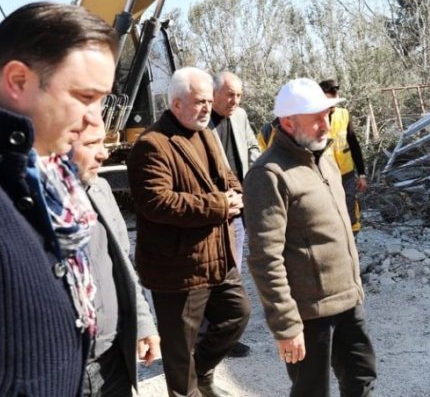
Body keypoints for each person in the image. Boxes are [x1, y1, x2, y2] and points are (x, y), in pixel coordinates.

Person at [0, 2, 117, 396]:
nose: (96, 119)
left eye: (102, 100)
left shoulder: (49, 173)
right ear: (18, 81)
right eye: (85, 96)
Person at [245, 77, 377, 397]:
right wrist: (286, 325)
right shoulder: (269, 174)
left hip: (347, 301)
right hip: (308, 313)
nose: (326, 126)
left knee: (362, 376)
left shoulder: (324, 158)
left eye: (327, 116)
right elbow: (265, 258)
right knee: (312, 391)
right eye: (317, 118)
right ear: (288, 122)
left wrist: (355, 288)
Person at [127, 67, 251, 397]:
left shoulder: (206, 135)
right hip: (178, 269)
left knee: (238, 314)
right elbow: (158, 202)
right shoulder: (151, 145)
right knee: (180, 358)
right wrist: (219, 206)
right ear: (177, 103)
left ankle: (203, 371)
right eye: (199, 101)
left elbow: (228, 178)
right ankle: (190, 383)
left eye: (209, 101)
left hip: (218, 258)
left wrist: (235, 195)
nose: (207, 108)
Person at [71, 120, 160, 396]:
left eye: (102, 143)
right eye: (90, 144)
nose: (104, 153)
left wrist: (144, 324)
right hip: (66, 367)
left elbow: (123, 262)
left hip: (111, 360)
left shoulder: (100, 189)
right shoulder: (29, 201)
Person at [209, 70, 260, 358]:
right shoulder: (200, 123)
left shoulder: (239, 116)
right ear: (214, 93)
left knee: (233, 273)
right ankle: (212, 335)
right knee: (215, 275)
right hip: (213, 208)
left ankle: (225, 334)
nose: (235, 100)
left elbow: (252, 145)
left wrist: (253, 176)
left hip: (241, 207)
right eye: (230, 94)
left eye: (239, 95)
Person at [318, 78, 368, 233]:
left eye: (334, 93)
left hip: (346, 173)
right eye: (329, 93)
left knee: (350, 206)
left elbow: (354, 144)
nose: (333, 96)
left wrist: (361, 174)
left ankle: (353, 238)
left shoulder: (344, 114)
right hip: (324, 175)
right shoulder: (315, 117)